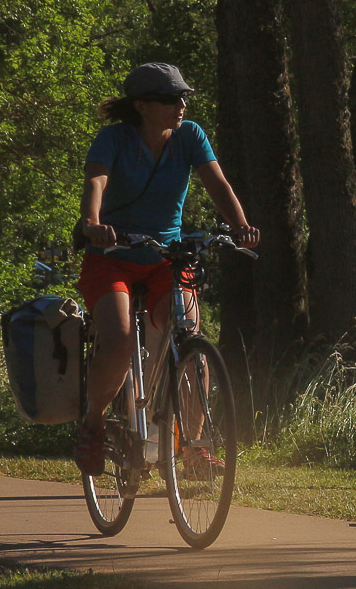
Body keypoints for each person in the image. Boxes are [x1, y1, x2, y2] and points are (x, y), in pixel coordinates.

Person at [73, 62, 258, 476]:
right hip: (112, 257)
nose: (182, 104)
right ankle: (94, 424)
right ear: (142, 105)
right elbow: (96, 183)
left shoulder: (190, 136)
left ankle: (191, 447)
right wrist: (93, 224)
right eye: (172, 98)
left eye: (184, 96)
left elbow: (218, 186)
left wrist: (240, 226)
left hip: (164, 260)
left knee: (191, 345)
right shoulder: (114, 139)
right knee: (120, 342)